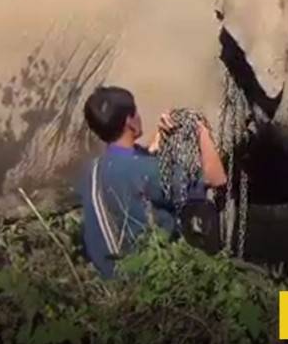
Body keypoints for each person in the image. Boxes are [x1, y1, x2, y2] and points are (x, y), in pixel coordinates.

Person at [77, 86, 226, 278]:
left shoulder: (91, 170)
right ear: (130, 121)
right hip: (150, 279)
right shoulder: (146, 171)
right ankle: (280, 304)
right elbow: (216, 178)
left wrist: (160, 136)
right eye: (136, 112)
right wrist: (200, 129)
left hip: (111, 277)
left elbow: (134, 167)